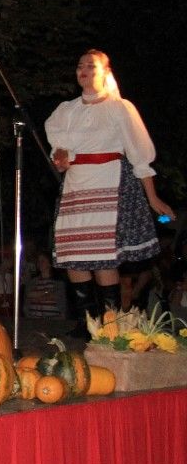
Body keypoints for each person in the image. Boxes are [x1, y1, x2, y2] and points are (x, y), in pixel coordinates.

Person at [45, 49, 174, 335]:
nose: (83, 70)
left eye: (91, 65)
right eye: (80, 65)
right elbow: (61, 151)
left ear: (105, 72)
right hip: (77, 185)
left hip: (109, 180)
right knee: (74, 252)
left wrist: (152, 197)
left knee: (103, 254)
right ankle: (86, 321)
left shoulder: (120, 108)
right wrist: (61, 159)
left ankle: (111, 323)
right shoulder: (66, 111)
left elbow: (139, 154)